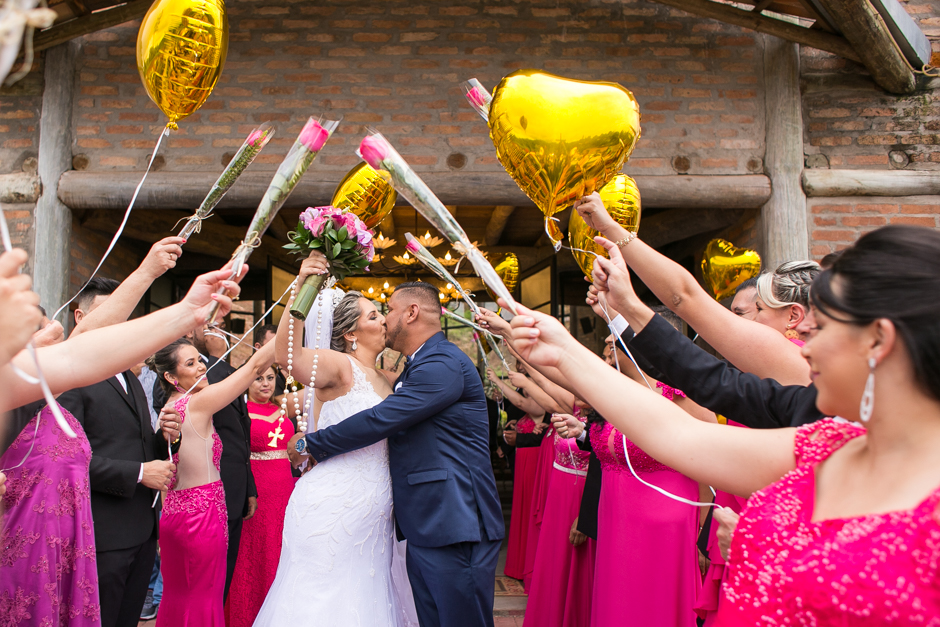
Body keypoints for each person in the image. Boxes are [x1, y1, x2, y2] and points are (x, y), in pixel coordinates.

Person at [508, 224, 940, 624]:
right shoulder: (831, 443)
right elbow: (678, 433)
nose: (803, 351)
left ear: (879, 340)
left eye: (820, 329)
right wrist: (564, 352)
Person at [0, 261, 242, 627]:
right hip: (25, 557)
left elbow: (76, 348)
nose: (52, 332)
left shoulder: (37, 385)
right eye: (31, 328)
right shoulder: (15, 393)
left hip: (71, 549)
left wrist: (185, 310)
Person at [285, 252, 504, 627]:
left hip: (454, 520)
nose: (385, 317)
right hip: (424, 522)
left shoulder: (442, 363)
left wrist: (312, 444)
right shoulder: (413, 366)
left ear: (411, 313)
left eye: (387, 308)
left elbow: (383, 419)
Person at [255, 279, 417, 626]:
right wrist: (304, 285)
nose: (384, 321)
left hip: (374, 510)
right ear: (350, 334)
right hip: (332, 505)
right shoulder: (338, 364)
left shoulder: (387, 378)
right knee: (322, 600)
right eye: (374, 316)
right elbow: (287, 357)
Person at [57, 237, 183, 627]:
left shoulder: (129, 377)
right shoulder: (69, 379)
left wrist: (164, 434)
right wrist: (140, 474)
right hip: (102, 530)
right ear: (82, 318)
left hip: (141, 529)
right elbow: (67, 460)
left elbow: (134, 442)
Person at [575, 192, 810, 386]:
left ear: (794, 316)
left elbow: (684, 297)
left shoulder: (790, 358)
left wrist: (610, 229)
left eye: (758, 307)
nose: (733, 320)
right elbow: (685, 368)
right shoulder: (769, 373)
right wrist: (615, 310)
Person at [147, 338, 275, 627]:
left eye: (199, 360)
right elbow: (254, 365)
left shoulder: (166, 412)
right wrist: (293, 312)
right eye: (190, 363)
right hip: (202, 520)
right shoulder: (197, 403)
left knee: (178, 597)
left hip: (174, 520)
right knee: (205, 598)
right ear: (170, 376)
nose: (201, 367)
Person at [225, 365, 296, 627]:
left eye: (269, 378)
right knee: (253, 553)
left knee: (280, 550)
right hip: (255, 490)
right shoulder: (238, 410)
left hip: (284, 491)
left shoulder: (284, 408)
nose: (265, 384)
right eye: (258, 379)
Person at [487, 366, 546, 581]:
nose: (525, 391)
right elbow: (518, 406)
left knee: (529, 512)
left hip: (533, 465)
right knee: (521, 511)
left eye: (529, 386)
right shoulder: (528, 413)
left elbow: (521, 403)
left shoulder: (539, 405)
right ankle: (520, 564)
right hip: (522, 464)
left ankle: (530, 565)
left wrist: (496, 379)